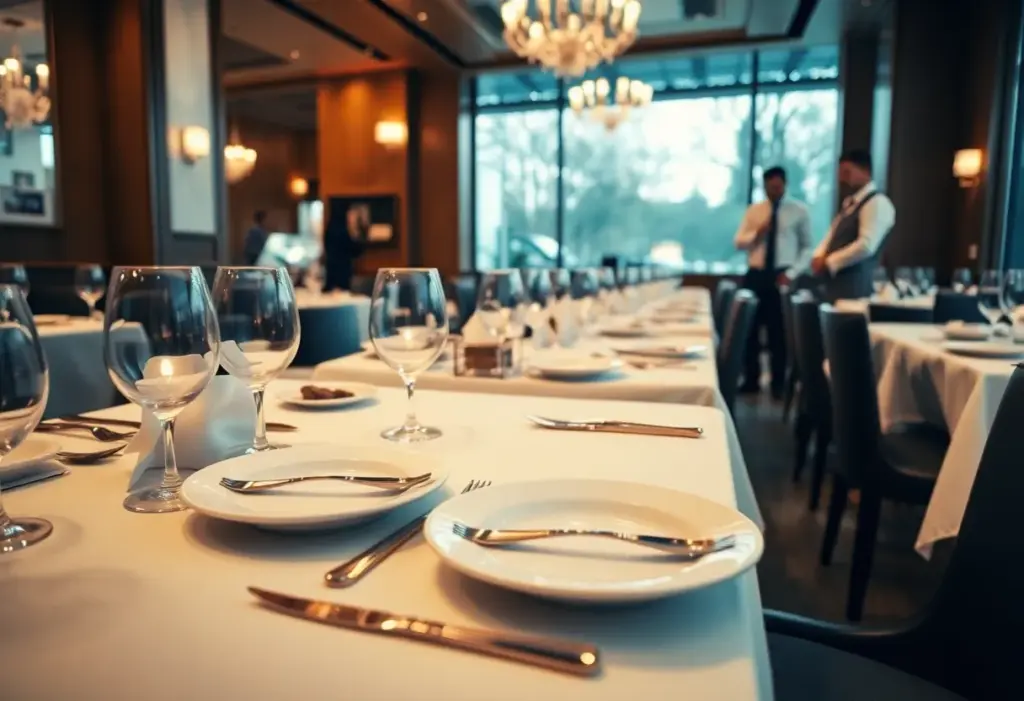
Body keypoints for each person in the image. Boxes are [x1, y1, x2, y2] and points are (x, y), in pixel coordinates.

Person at [734, 166, 812, 398]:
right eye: (769, 188)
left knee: (779, 331)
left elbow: (807, 247)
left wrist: (793, 272)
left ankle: (779, 382)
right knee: (750, 329)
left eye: (777, 187)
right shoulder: (755, 211)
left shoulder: (798, 211)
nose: (773, 192)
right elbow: (738, 242)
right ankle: (751, 380)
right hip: (756, 274)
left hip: (781, 274)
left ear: (785, 185)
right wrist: (757, 234)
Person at [810, 149, 896, 302]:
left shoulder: (877, 203)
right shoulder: (849, 204)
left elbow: (866, 245)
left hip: (857, 291)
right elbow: (831, 235)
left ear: (865, 171)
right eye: (840, 173)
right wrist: (818, 255)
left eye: (847, 172)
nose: (841, 178)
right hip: (837, 287)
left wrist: (830, 261)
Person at [323, 205, 365, 291]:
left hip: (334, 274)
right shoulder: (343, 231)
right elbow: (357, 251)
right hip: (341, 274)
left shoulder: (332, 228)